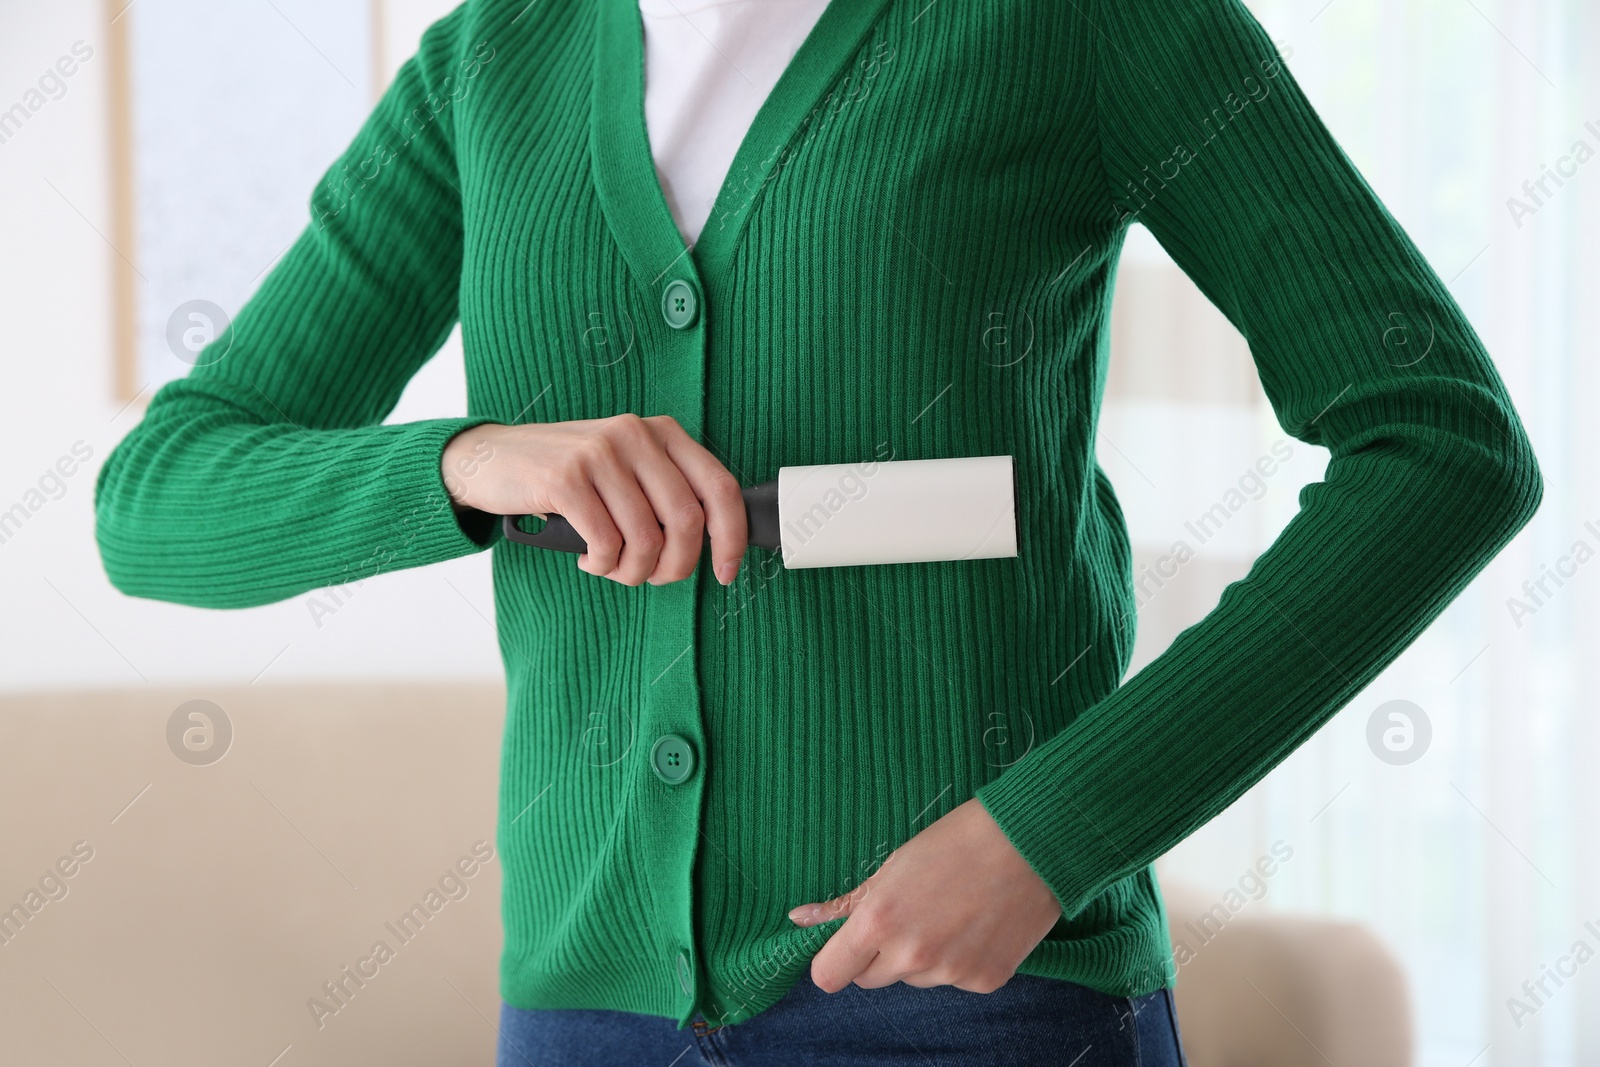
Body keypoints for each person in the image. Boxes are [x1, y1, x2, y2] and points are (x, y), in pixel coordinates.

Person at [94, 0, 1542, 1063]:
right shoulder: (495, 57)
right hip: (588, 1012)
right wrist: (474, 462)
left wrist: (1053, 834)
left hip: (982, 999)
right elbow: (156, 499)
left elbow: (1440, 444)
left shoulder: (1083, 25)